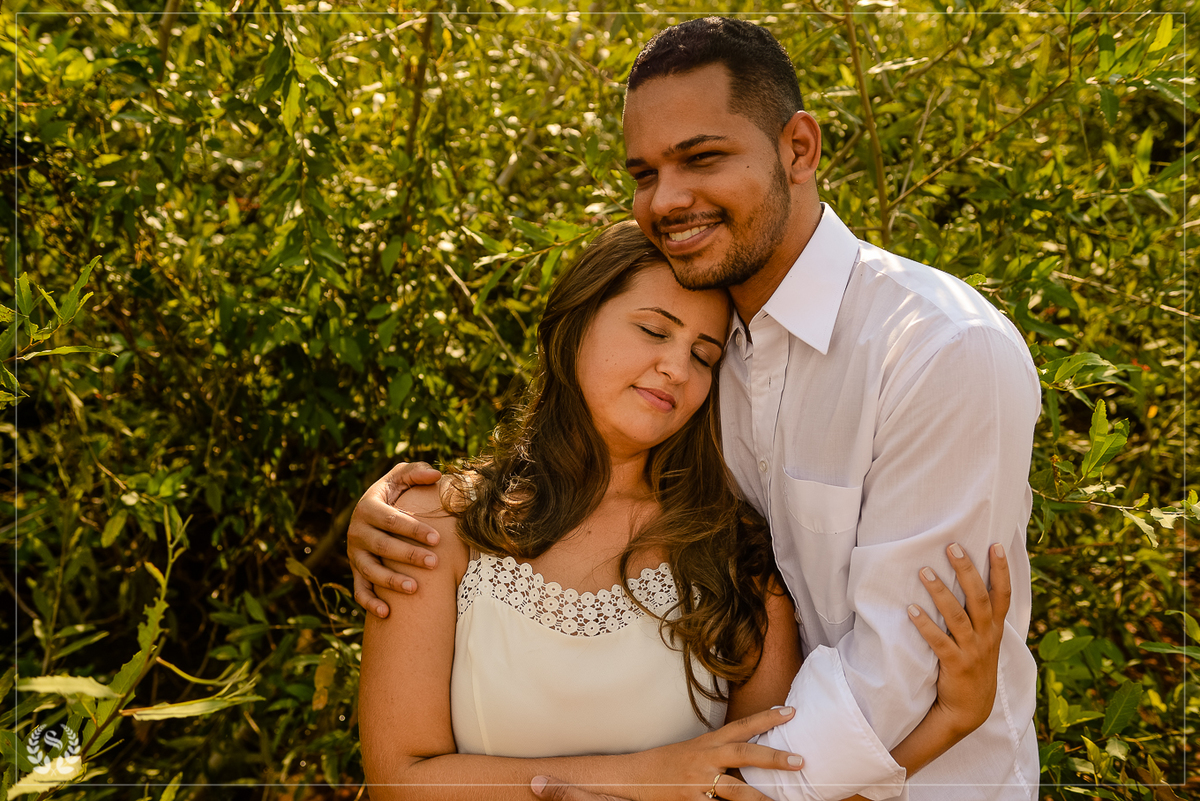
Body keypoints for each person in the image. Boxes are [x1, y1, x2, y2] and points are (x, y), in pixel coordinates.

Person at [351, 17, 1040, 801]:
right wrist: (393, 516)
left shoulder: (938, 350)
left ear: (799, 149)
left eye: (702, 157)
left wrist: (665, 789)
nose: (668, 199)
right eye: (644, 172)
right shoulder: (715, 345)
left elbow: (899, 674)